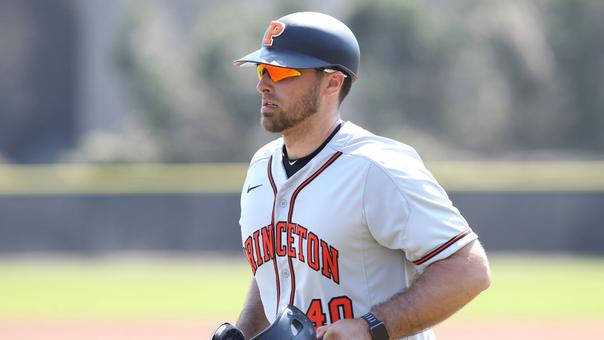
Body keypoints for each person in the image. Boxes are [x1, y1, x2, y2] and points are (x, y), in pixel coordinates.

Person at [232, 11, 491, 340]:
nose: (262, 84)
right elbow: (274, 268)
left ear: (332, 82)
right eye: (261, 69)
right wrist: (245, 331)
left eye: (281, 70)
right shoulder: (261, 166)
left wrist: (372, 327)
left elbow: (469, 268)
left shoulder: (377, 166)